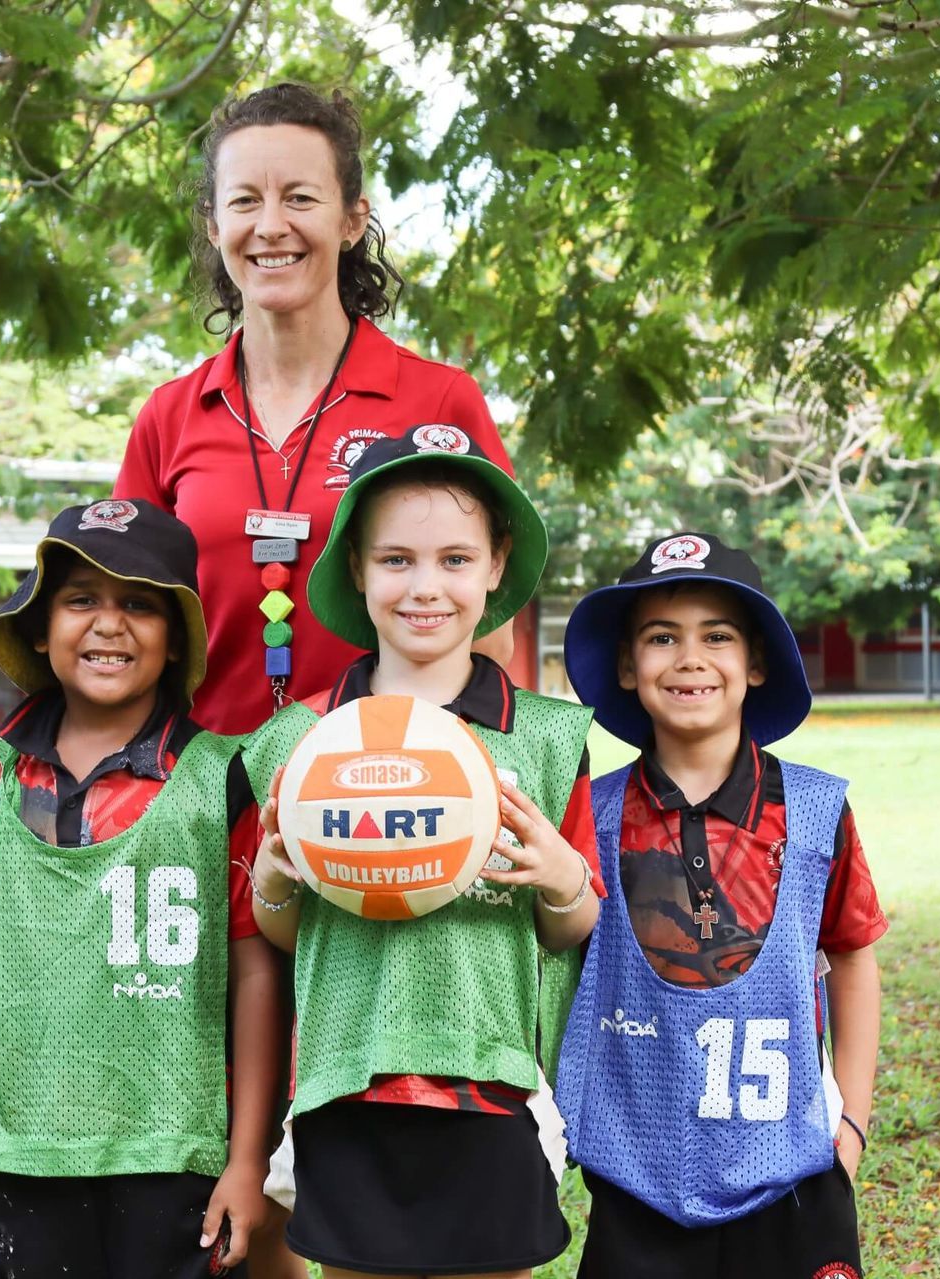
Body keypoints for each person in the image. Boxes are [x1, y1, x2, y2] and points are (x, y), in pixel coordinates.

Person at [241, 429, 602, 1278]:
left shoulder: (548, 736)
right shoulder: (299, 742)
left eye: (454, 558)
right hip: (346, 1083)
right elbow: (284, 937)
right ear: (357, 568)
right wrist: (271, 882)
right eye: (397, 559)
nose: (426, 586)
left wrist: (559, 877)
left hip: (493, 1083)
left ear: (495, 567)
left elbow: (575, 926)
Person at [115, 82, 517, 737]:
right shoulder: (169, 417)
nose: (271, 225)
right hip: (200, 802)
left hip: (388, 798)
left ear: (352, 219)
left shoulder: (440, 402)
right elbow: (127, 625)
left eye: (300, 197)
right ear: (216, 226)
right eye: (245, 201)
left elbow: (491, 639)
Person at [0, 499, 282, 1278]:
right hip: (26, 1142)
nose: (109, 623)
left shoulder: (221, 775)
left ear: (175, 642)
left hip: (177, 1146)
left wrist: (247, 1157)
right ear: (39, 627)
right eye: (81, 600)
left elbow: (257, 968)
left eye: (139, 603)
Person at [553, 532, 887, 1279]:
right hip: (637, 1186)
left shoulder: (812, 809)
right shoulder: (591, 816)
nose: (690, 658)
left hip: (794, 1181)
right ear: (627, 665)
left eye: (718, 636)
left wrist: (852, 1127)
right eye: (662, 637)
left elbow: (854, 953)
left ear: (756, 662)